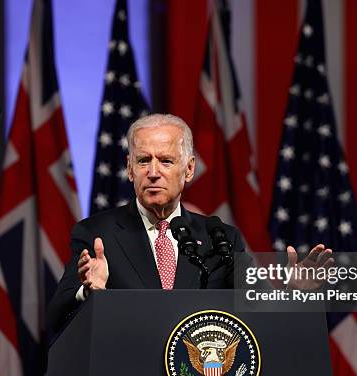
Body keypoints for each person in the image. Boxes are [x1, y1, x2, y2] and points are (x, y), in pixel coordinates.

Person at [47, 114, 332, 333]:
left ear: (189, 169)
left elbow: (258, 312)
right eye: (143, 160)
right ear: (129, 169)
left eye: (167, 161)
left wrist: (295, 293)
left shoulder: (220, 238)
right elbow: (57, 318)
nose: (154, 172)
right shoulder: (97, 235)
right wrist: (90, 293)